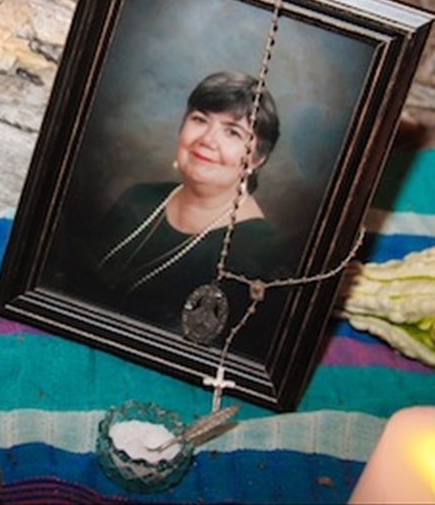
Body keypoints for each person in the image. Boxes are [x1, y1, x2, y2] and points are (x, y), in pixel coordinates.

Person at [56, 71, 292, 359]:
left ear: (257, 158)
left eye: (233, 132)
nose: (207, 139)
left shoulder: (264, 252)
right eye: (200, 119)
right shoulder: (139, 197)